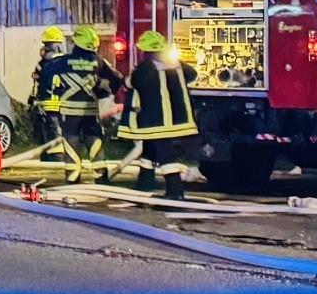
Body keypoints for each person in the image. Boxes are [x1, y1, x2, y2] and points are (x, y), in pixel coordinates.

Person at [119, 30, 199, 193]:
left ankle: (175, 191)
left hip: (156, 121)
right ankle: (145, 182)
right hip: (178, 119)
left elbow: (131, 83)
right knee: (149, 149)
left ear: (146, 50)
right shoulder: (177, 64)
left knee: (165, 154)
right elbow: (192, 75)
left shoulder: (146, 67)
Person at [37, 25, 123, 167]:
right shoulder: (98, 62)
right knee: (94, 140)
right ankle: (101, 176)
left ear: (76, 43)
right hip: (90, 111)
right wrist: (104, 92)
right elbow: (117, 79)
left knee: (71, 143)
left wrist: (50, 93)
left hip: (70, 113)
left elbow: (45, 73)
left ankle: (73, 179)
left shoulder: (62, 62)